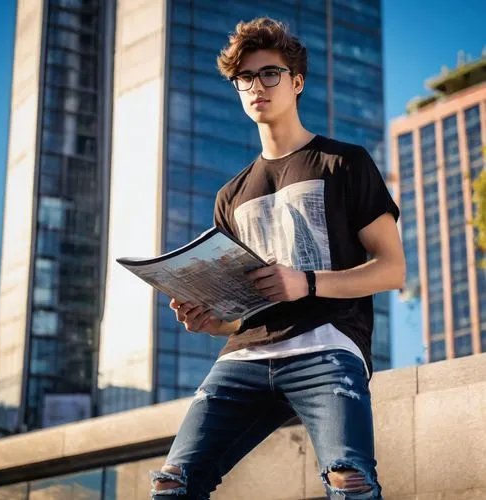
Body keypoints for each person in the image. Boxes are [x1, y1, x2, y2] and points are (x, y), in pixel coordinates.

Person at [152, 17, 405, 500]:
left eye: (269, 73)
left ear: (297, 81)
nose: (256, 86)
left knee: (350, 481)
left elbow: (392, 269)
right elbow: (244, 307)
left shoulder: (344, 162)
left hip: (327, 349)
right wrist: (213, 320)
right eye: (244, 78)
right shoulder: (230, 195)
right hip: (243, 357)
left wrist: (306, 283)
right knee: (171, 486)